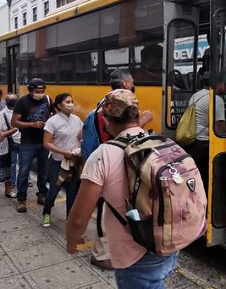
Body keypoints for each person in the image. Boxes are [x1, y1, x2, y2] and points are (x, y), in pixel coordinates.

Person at [67, 89, 177, 287]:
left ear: (107, 120)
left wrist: (72, 240)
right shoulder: (160, 142)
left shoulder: (104, 154)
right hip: (169, 242)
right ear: (137, 114)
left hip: (134, 254)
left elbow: (78, 218)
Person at [82, 68, 153, 270]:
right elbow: (116, 134)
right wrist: (142, 122)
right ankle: (101, 253)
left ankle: (117, 248)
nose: (133, 84)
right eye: (131, 82)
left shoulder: (107, 102)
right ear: (125, 85)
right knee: (108, 208)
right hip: (112, 163)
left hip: (119, 161)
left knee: (119, 209)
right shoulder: (111, 107)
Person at [41, 93, 83, 228]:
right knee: (53, 191)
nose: (71, 104)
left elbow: (81, 136)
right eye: (67, 102)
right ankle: (46, 213)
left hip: (73, 162)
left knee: (72, 193)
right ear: (59, 106)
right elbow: (47, 143)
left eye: (72, 101)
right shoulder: (52, 122)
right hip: (58, 162)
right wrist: (64, 152)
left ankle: (69, 218)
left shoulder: (76, 119)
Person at [12, 78, 52, 213]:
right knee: (24, 171)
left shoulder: (47, 99)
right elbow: (14, 122)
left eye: (42, 91)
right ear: (30, 90)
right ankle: (21, 198)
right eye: (37, 91)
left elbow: (53, 116)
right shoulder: (22, 102)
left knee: (44, 171)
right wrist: (32, 124)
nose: (40, 93)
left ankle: (42, 194)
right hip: (28, 142)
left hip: (44, 141)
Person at [184, 72, 226, 189]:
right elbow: (220, 128)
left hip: (193, 142)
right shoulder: (216, 99)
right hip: (205, 145)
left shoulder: (195, 95)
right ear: (218, 83)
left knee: (199, 178)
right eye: (223, 83)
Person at [1, 93, 21, 198]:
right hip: (12, 141)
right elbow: (3, 128)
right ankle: (12, 181)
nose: (13, 101)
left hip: (23, 140)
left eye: (14, 99)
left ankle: (25, 180)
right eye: (10, 99)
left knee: (24, 162)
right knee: (12, 163)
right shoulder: (3, 113)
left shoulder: (21, 110)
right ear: (6, 101)